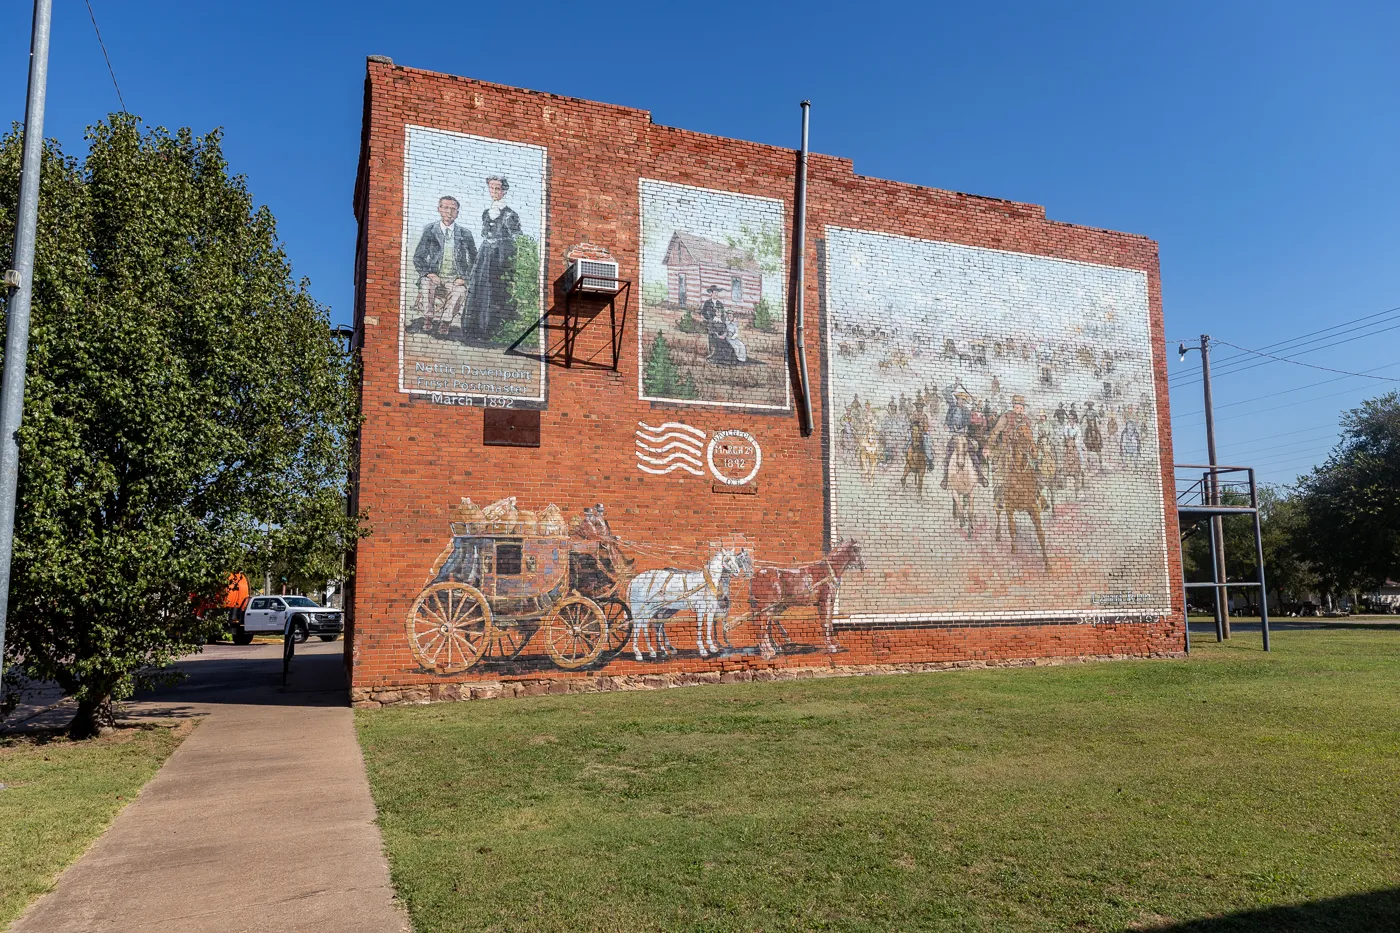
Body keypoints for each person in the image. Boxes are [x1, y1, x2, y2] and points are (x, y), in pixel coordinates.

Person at [465, 176, 523, 340]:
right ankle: (473, 328)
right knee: (479, 287)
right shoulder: (486, 212)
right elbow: (485, 233)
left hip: (500, 255)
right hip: (485, 254)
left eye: (498, 189)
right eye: (492, 188)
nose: (494, 192)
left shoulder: (510, 214)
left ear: (504, 191)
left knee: (494, 289)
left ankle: (488, 329)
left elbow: (517, 237)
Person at [411, 196, 476, 335]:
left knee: (461, 291)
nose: (449, 212)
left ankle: (445, 322)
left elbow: (475, 261)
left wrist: (464, 278)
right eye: (445, 208)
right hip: (434, 276)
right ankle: (428, 318)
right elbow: (418, 257)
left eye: (453, 209)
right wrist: (430, 273)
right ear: (439, 209)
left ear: (457, 213)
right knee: (426, 283)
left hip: (454, 279)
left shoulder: (465, 234)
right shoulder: (430, 230)